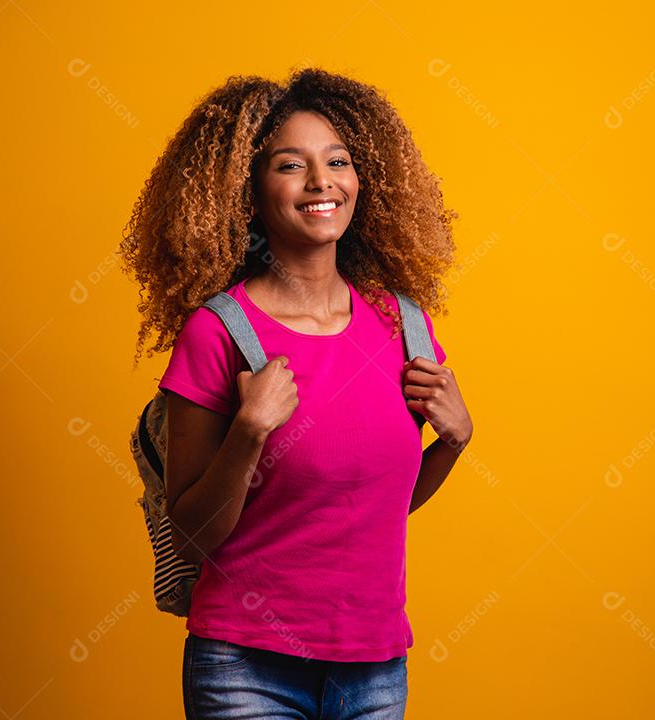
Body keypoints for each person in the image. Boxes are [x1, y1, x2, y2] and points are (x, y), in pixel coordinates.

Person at [120, 67, 473, 720]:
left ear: (362, 180)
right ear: (249, 194)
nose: (321, 183)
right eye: (291, 165)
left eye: (337, 161)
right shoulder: (220, 331)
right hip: (245, 666)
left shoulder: (405, 328)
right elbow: (192, 537)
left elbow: (375, 503)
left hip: (376, 668)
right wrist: (249, 434)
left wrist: (452, 443)